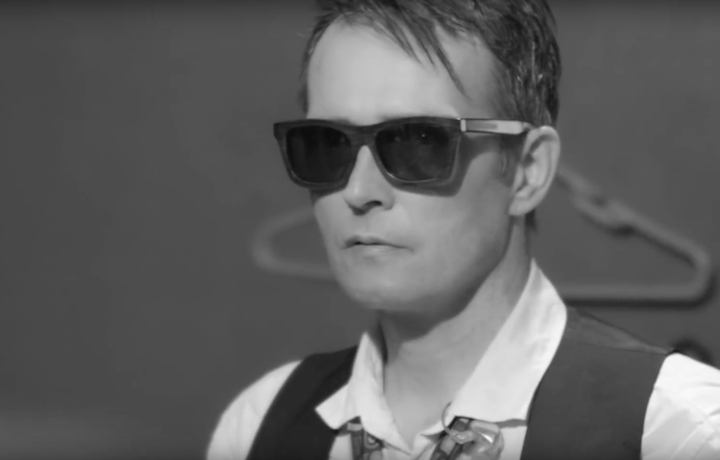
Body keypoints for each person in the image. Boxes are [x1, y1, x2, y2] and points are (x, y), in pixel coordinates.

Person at [208, 1, 720, 459]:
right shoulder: (257, 428)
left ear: (528, 170)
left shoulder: (676, 432)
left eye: (417, 142)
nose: (359, 190)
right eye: (324, 144)